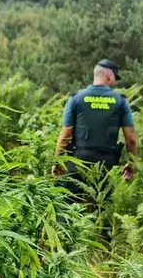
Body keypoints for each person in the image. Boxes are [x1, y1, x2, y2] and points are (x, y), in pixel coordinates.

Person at [51, 59, 137, 204]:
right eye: (115, 78)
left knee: (65, 204)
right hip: (107, 164)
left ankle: (64, 226)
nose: (114, 82)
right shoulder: (120, 101)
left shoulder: (76, 98)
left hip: (78, 161)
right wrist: (131, 163)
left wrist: (57, 162)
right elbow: (131, 139)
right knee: (107, 207)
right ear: (109, 76)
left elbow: (65, 135)